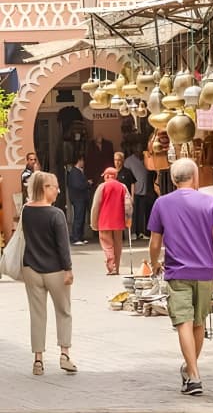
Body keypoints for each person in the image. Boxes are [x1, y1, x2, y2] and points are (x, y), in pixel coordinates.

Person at [148, 158, 213, 396]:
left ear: (174, 179)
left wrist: (155, 263)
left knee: (183, 323)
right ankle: (191, 371)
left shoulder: (161, 203)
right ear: (195, 177)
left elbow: (155, 242)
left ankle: (193, 373)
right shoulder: (210, 203)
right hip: (205, 272)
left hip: (177, 272)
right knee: (198, 323)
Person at [21, 171, 77, 376]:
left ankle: (38, 360)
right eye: (54, 186)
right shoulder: (56, 214)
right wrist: (68, 269)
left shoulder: (26, 211)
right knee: (63, 311)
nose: (58, 190)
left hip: (31, 269)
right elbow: (63, 246)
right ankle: (64, 354)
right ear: (44, 188)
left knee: (37, 314)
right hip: (55, 270)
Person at [90, 167, 132, 276]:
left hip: (104, 220)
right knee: (118, 243)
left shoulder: (102, 187)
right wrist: (128, 219)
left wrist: (94, 222)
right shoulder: (123, 187)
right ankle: (116, 268)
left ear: (107, 176)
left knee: (107, 244)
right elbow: (128, 203)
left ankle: (111, 266)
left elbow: (96, 206)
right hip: (119, 219)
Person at [125, 147, 156, 240]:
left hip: (144, 191)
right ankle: (133, 232)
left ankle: (141, 232)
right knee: (133, 213)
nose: (139, 152)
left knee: (141, 213)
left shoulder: (145, 160)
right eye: (137, 149)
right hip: (133, 192)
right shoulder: (129, 161)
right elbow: (127, 175)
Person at [67, 155, 92, 245]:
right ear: (79, 161)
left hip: (81, 198)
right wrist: (87, 183)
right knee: (78, 217)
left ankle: (80, 237)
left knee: (81, 218)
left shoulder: (79, 172)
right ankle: (76, 237)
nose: (83, 163)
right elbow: (78, 185)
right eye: (82, 161)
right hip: (78, 198)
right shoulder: (74, 172)